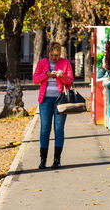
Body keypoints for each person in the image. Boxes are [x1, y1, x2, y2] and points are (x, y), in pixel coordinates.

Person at [32, 41, 74, 169]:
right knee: (45, 129)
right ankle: (43, 159)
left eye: (56, 55)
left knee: (58, 129)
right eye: (52, 55)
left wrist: (61, 76)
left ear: (60, 54)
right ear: (48, 53)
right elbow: (35, 80)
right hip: (45, 100)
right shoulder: (42, 63)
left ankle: (57, 159)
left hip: (60, 100)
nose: (54, 58)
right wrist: (46, 75)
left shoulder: (65, 63)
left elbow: (70, 82)